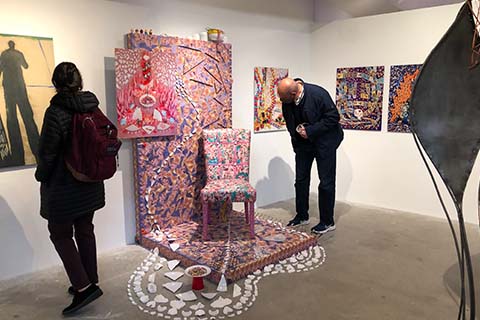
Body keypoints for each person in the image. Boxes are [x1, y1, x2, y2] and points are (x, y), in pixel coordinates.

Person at [35, 62, 104, 315]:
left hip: (64, 188)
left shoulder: (55, 112)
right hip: (90, 182)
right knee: (85, 229)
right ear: (79, 81)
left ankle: (84, 287)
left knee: (60, 234)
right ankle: (90, 279)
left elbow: (47, 153)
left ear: (56, 83)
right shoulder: (91, 106)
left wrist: (40, 175)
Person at [277, 77, 343, 234]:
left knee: (326, 182)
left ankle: (327, 221)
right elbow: (289, 123)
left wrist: (311, 131)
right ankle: (302, 215)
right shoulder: (287, 101)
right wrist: (297, 141)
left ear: (294, 92)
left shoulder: (318, 94)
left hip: (325, 142)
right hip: (303, 145)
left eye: (283, 98)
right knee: (300, 180)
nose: (281, 100)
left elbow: (334, 117)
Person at [0, 40, 39, 165]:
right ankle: (36, 147)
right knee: (27, 117)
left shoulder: (4, 55)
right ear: (14, 45)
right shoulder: (18, 54)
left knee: (12, 119)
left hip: (9, 88)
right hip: (20, 87)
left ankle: (17, 152)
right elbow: (26, 65)